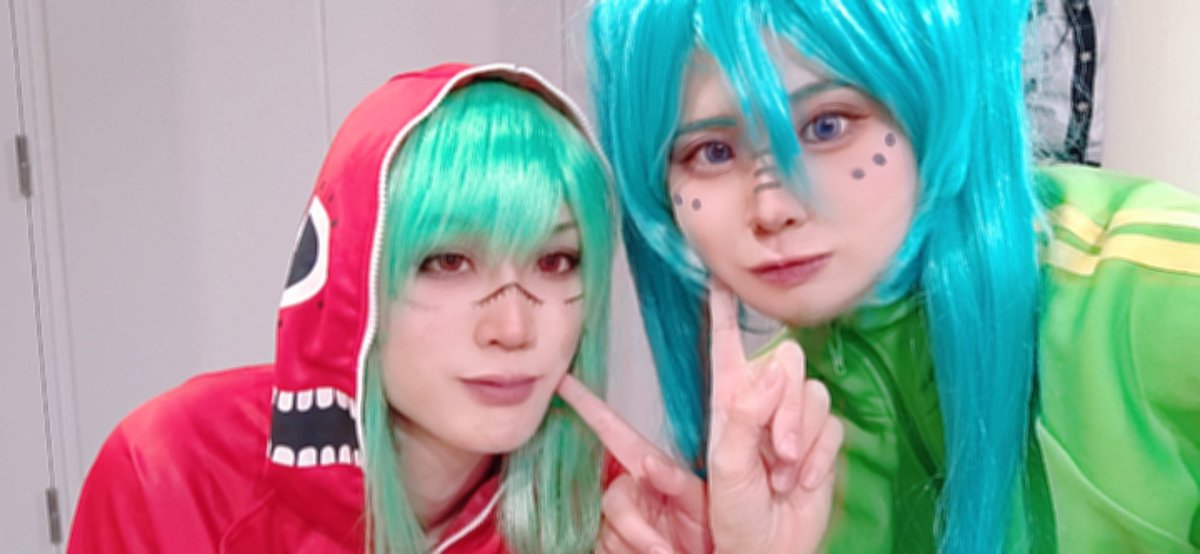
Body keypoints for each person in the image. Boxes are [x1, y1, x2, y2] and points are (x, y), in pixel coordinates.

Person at [587, 0, 1200, 551]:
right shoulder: (772, 434)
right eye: (712, 152)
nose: (772, 208)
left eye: (827, 125)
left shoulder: (1149, 287)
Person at [68, 63, 618, 553]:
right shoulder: (172, 473)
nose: (513, 328)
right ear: (353, 273)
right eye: (448, 262)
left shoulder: (619, 509)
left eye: (555, 261)